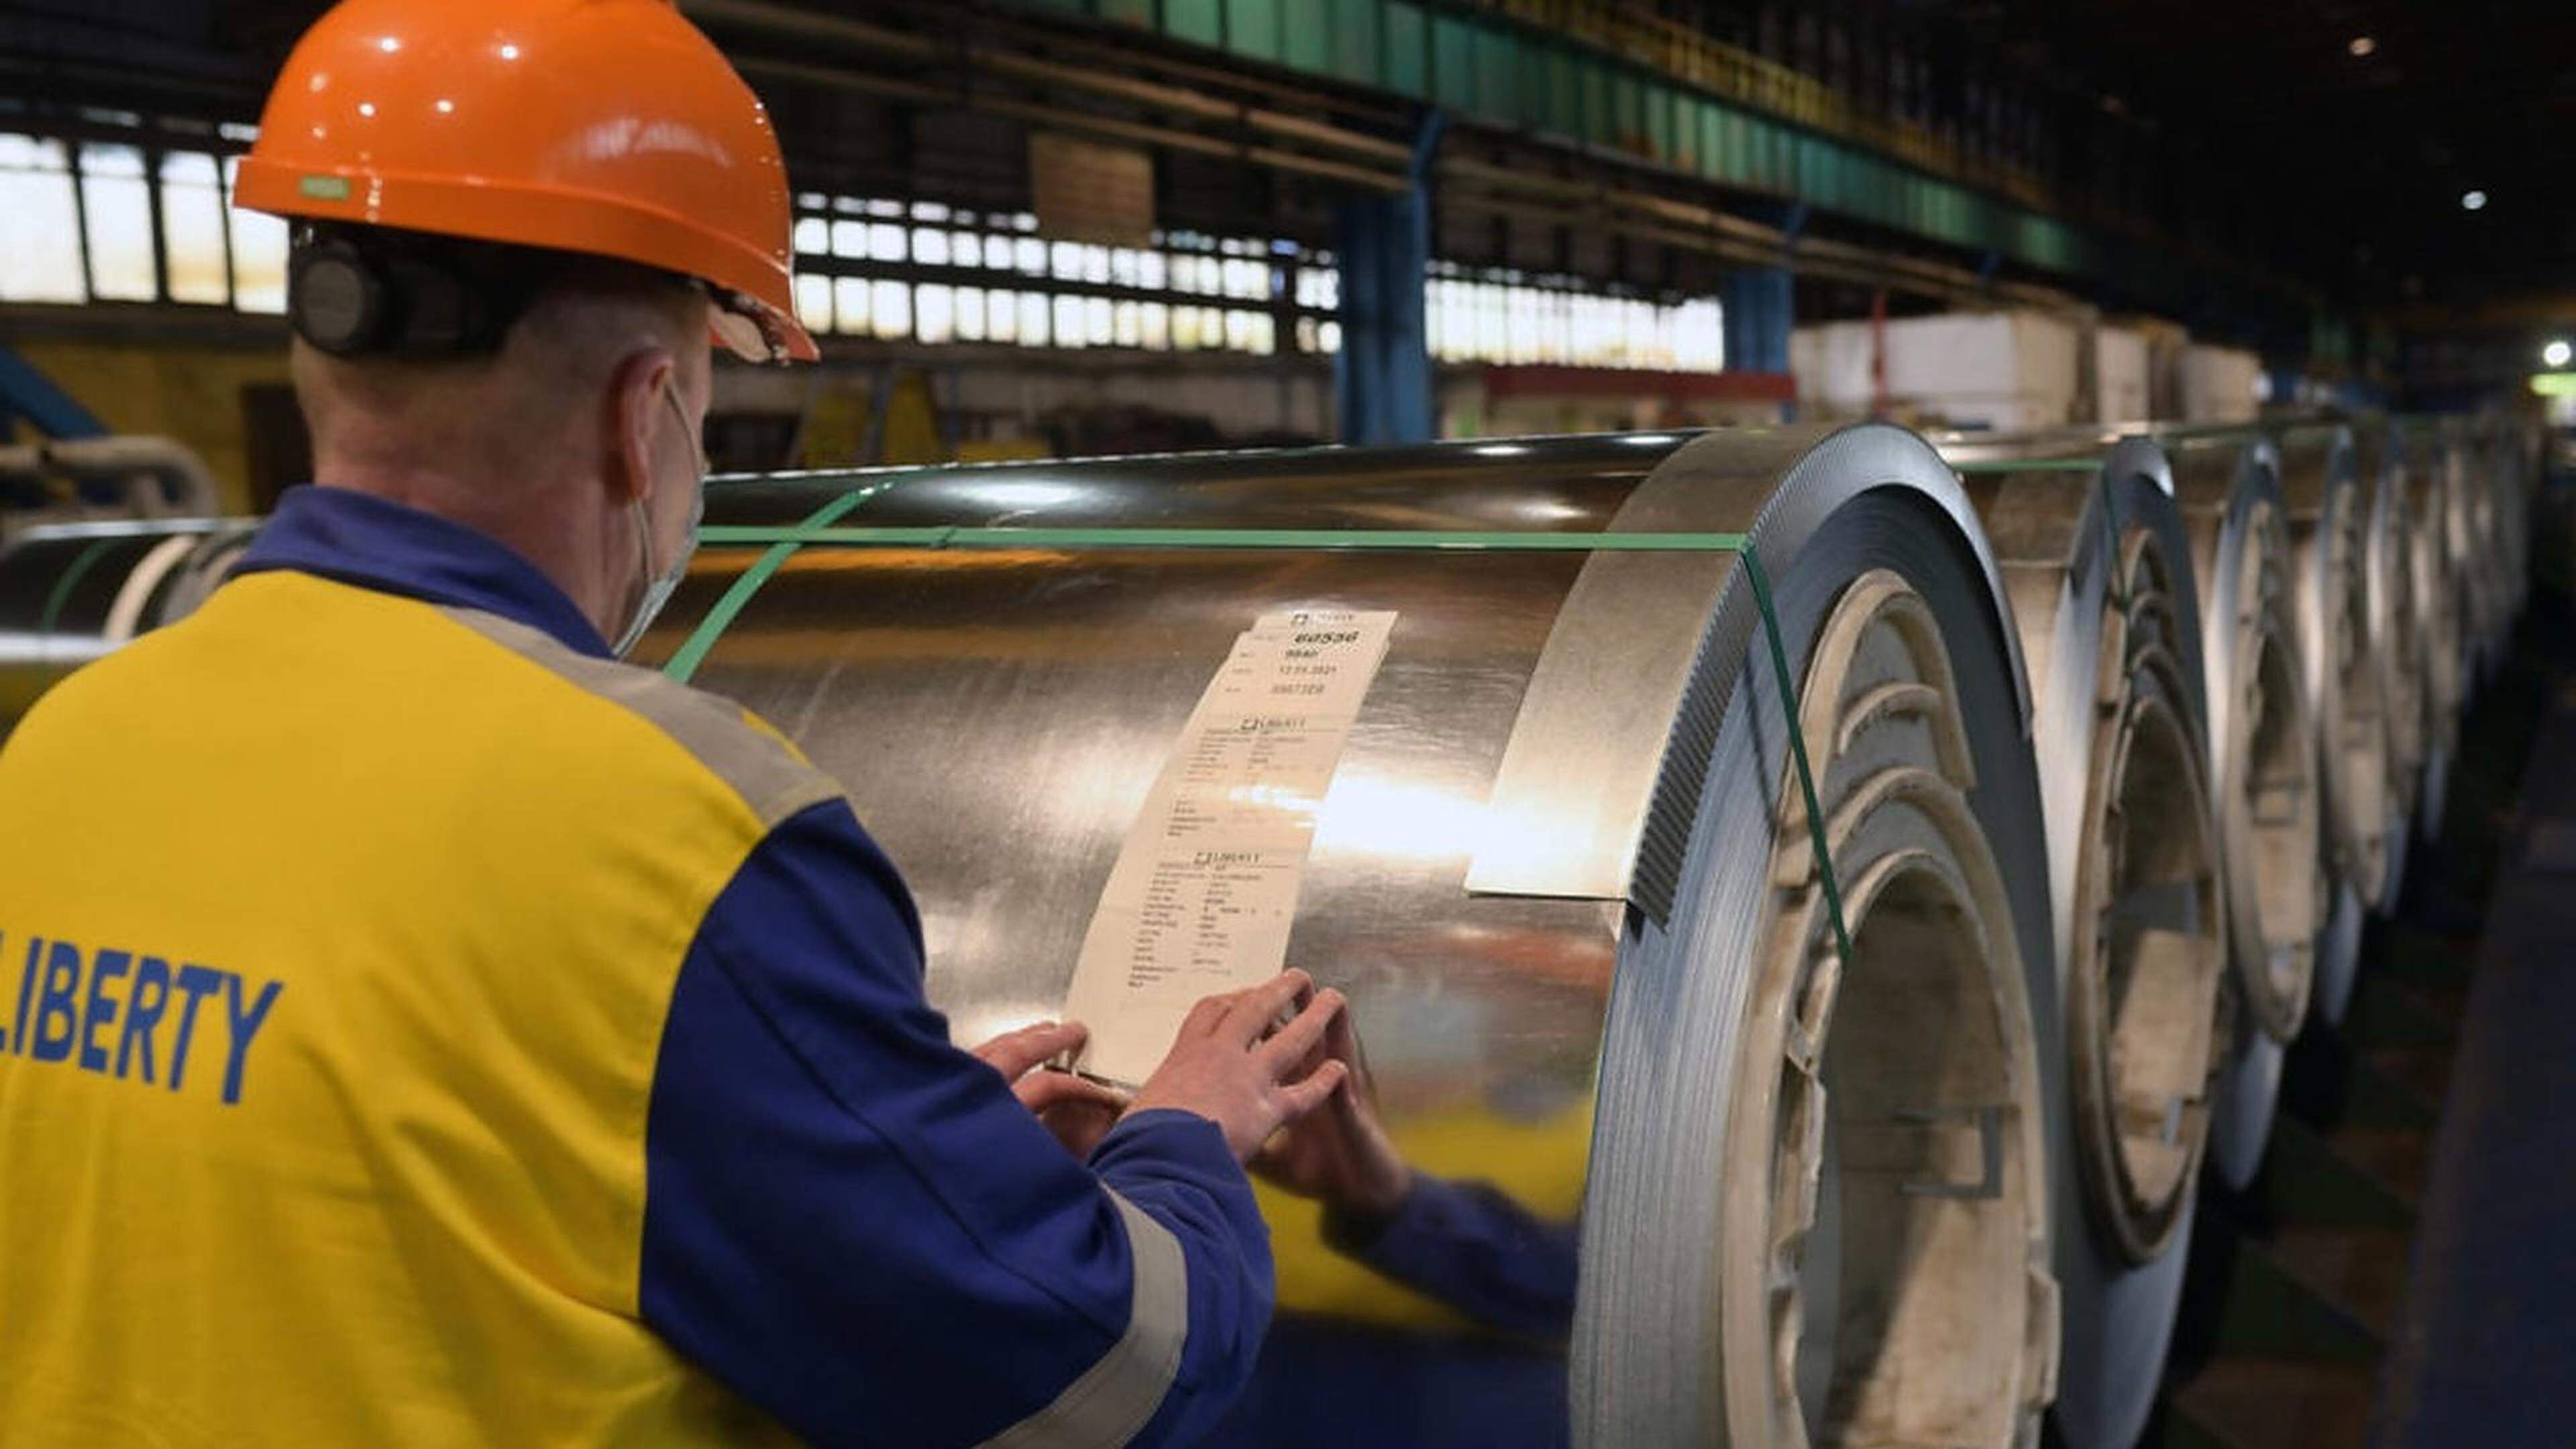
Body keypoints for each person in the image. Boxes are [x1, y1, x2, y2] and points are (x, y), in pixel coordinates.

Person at [0, 1, 1353, 1444]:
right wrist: (1184, 1140)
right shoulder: (676, 836)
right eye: (707, 410)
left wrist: (868, 1143)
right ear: (643, 413)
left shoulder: (65, 749)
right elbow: (1104, 1370)